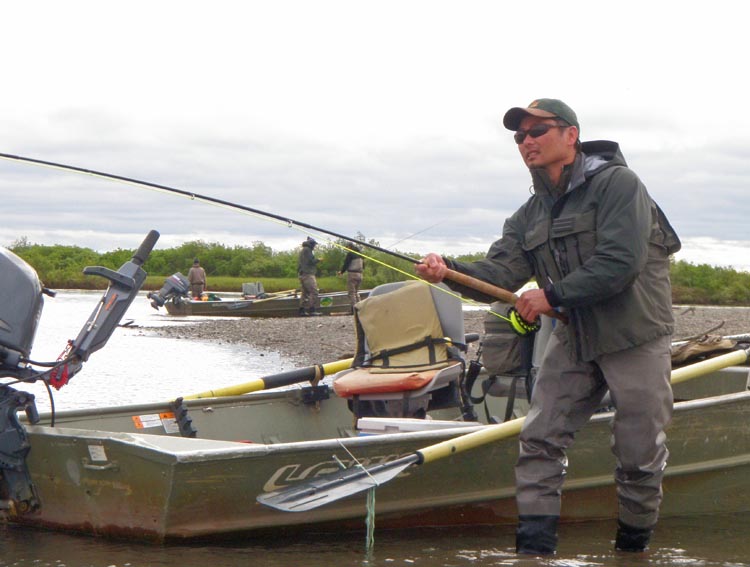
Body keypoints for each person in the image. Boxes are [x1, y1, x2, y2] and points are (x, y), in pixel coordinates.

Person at [416, 98, 681, 555]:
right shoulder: (528, 215)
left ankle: (633, 552)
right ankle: (533, 555)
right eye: (520, 136)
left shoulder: (620, 185)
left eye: (538, 131)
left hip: (634, 336)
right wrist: (448, 269)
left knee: (638, 455)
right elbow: (499, 274)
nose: (527, 142)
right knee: (538, 440)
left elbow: (620, 262)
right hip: (574, 337)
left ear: (571, 135)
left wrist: (550, 296)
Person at [297, 237, 322, 316]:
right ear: (311, 244)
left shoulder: (303, 250)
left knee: (304, 293)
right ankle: (312, 310)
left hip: (302, 274)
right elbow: (311, 261)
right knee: (314, 292)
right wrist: (318, 260)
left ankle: (302, 310)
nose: (314, 246)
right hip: (308, 274)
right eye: (314, 245)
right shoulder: (308, 250)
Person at [337, 244, 364, 312]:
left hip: (352, 274)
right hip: (360, 275)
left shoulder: (350, 254)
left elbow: (346, 264)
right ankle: (360, 308)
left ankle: (354, 309)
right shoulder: (360, 255)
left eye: (347, 248)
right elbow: (364, 266)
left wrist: (341, 272)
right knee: (356, 292)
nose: (347, 249)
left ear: (350, 247)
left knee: (351, 293)